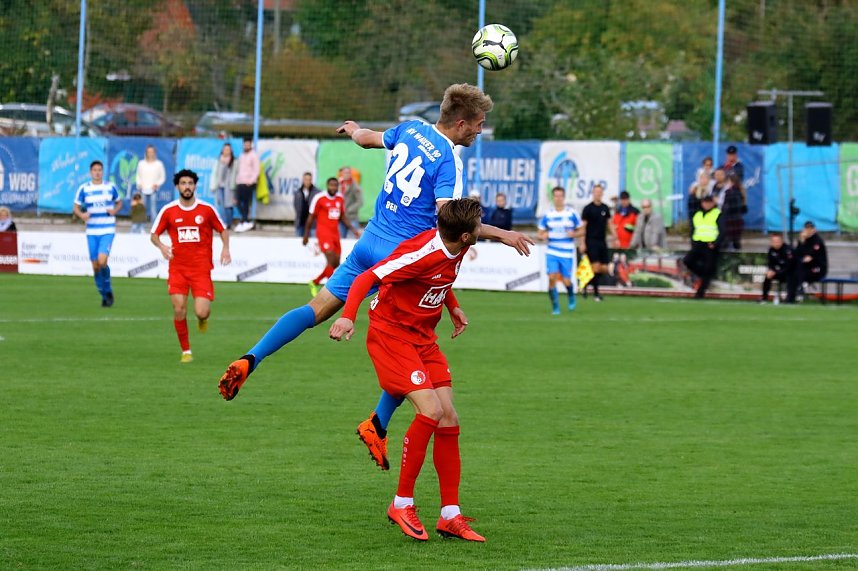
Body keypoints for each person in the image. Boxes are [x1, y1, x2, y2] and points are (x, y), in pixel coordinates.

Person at [217, 83, 533, 472]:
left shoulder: (409, 128)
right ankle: (377, 425)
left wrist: (352, 130)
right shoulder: (448, 163)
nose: (480, 132)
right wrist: (503, 234)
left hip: (369, 240)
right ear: (461, 122)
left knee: (315, 309)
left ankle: (252, 357)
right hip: (401, 259)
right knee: (409, 344)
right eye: (479, 125)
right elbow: (450, 221)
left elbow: (367, 140)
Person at [328, 198, 486, 542]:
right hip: (391, 335)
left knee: (449, 418)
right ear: (463, 236)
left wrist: (453, 307)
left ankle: (450, 515)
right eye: (477, 227)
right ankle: (401, 503)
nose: (480, 230)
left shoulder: (454, 246)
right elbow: (366, 277)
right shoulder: (422, 251)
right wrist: (346, 316)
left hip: (422, 337)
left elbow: (439, 279)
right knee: (430, 410)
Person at [151, 169, 231, 363]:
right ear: (178, 186)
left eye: (190, 183)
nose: (187, 187)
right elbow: (154, 235)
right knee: (179, 309)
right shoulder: (169, 210)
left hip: (201, 269)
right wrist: (162, 246)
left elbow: (222, 229)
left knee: (202, 312)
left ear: (195, 186)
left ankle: (203, 320)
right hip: (177, 268)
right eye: (183, 183)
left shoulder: (206, 209)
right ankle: (186, 351)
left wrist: (225, 248)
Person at [73, 160, 122, 307]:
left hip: (107, 230)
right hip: (91, 231)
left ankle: (108, 291)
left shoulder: (110, 187)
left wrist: (114, 210)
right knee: (95, 266)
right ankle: (104, 293)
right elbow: (76, 207)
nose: (97, 172)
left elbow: (119, 202)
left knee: (102, 261)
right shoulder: (84, 189)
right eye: (94, 170)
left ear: (103, 171)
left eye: (100, 170)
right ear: (90, 172)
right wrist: (82, 216)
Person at [304, 177, 361, 297]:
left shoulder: (340, 198)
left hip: (335, 234)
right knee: (330, 258)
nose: (333, 188)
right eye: (331, 185)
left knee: (335, 263)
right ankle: (331, 291)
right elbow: (310, 217)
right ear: (327, 185)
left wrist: (354, 230)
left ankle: (314, 282)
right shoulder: (319, 198)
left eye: (335, 186)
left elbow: (343, 217)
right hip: (323, 233)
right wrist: (306, 235)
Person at [537, 187, 582, 314]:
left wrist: (574, 234)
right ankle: (555, 306)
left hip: (567, 252)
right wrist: (543, 235)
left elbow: (582, 230)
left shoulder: (571, 213)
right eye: (556, 196)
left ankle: (571, 295)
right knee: (552, 278)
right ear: (553, 197)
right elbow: (539, 234)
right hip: (552, 251)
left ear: (564, 197)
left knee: (567, 281)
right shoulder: (548, 214)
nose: (558, 198)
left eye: (560, 196)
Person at [683, 194, 724, 299]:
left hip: (710, 245)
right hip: (698, 243)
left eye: (709, 202)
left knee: (708, 268)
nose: (707, 204)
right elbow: (693, 230)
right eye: (705, 202)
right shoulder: (697, 214)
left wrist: (715, 243)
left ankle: (700, 293)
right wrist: (693, 242)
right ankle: (702, 275)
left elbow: (723, 231)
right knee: (687, 261)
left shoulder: (717, 213)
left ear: (713, 203)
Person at [579, 184, 616, 301]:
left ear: (602, 193)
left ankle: (586, 284)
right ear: (593, 193)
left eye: (600, 192)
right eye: (596, 192)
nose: (598, 194)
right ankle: (596, 294)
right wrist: (582, 242)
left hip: (602, 241)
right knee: (595, 267)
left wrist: (615, 237)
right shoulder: (588, 209)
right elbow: (583, 227)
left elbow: (610, 224)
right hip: (591, 241)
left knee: (604, 269)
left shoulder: (605, 208)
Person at [788, 221, 827, 303]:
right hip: (805, 268)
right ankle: (790, 299)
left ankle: (800, 288)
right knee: (792, 274)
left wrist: (803, 258)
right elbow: (797, 254)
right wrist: (801, 241)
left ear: (814, 230)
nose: (808, 230)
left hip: (818, 269)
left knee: (800, 270)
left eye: (810, 228)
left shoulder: (817, 241)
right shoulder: (804, 240)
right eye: (806, 228)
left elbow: (809, 257)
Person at [135, 144, 166, 223]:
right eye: (149, 152)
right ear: (146, 153)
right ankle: (140, 228)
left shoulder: (159, 164)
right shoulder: (141, 163)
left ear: (154, 153)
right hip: (142, 190)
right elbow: (138, 176)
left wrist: (157, 184)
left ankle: (154, 228)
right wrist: (139, 184)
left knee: (153, 209)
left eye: (152, 152)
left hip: (153, 190)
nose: (150, 153)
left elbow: (162, 177)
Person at [209, 142, 237, 229]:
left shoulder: (234, 161)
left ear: (231, 151)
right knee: (221, 206)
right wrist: (213, 185)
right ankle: (224, 223)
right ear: (222, 150)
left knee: (228, 205)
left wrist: (234, 185)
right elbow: (214, 173)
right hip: (219, 186)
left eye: (228, 149)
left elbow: (236, 174)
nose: (226, 151)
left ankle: (229, 223)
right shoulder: (218, 161)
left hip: (229, 187)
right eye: (225, 149)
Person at [760, 233, 794, 304]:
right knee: (767, 276)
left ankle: (789, 299)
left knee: (791, 277)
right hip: (777, 272)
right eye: (774, 242)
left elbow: (790, 266)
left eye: (777, 241)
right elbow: (770, 263)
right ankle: (764, 298)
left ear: (781, 241)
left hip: (787, 273)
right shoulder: (771, 250)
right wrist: (771, 271)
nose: (776, 243)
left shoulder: (788, 250)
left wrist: (777, 272)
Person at [235, 137, 259, 233]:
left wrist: (251, 180)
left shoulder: (254, 155)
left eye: (248, 144)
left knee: (245, 202)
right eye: (245, 145)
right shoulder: (242, 155)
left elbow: (256, 169)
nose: (246, 146)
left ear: (251, 145)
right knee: (237, 202)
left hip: (248, 182)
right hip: (240, 181)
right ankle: (244, 219)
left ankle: (245, 220)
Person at [721, 172, 747, 251]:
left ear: (730, 181)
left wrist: (723, 212)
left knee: (726, 241)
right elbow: (744, 209)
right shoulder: (740, 191)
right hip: (738, 220)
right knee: (736, 241)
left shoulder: (729, 192)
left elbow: (726, 207)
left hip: (730, 221)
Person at [294, 172, 321, 238]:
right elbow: (295, 206)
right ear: (303, 180)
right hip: (300, 222)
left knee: (312, 243)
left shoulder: (317, 192)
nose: (307, 181)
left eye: (309, 180)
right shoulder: (298, 192)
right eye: (306, 179)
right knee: (298, 243)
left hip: (313, 224)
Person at [339, 166, 364, 238]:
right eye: (345, 173)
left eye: (348, 173)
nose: (346, 174)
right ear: (342, 174)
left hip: (352, 217)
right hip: (341, 218)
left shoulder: (355, 186)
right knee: (340, 238)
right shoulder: (339, 184)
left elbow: (360, 201)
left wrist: (349, 209)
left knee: (353, 238)